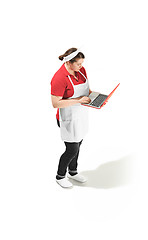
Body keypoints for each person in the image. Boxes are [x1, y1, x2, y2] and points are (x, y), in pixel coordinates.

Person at [51, 47, 92, 188]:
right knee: (71, 149)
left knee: (78, 144)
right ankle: (60, 175)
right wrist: (79, 100)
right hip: (67, 118)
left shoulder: (81, 71)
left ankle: (73, 172)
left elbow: (86, 90)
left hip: (80, 115)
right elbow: (56, 103)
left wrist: (94, 97)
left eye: (82, 63)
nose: (81, 66)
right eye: (79, 64)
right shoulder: (59, 78)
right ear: (69, 62)